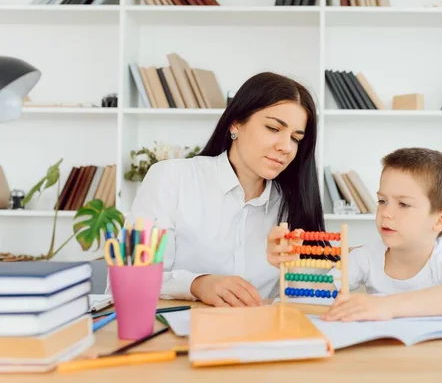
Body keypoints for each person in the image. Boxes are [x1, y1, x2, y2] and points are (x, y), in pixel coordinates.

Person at [111, 72, 325, 307]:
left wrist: (294, 265)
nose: (285, 147)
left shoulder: (291, 204)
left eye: (296, 138)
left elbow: (311, 302)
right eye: (273, 128)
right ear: (236, 123)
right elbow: (128, 279)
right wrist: (197, 284)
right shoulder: (171, 178)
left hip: (262, 336)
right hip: (180, 335)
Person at [272, 147, 442, 321]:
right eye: (382, 201)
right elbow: (315, 294)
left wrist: (387, 306)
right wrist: (294, 262)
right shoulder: (367, 256)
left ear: (441, 220)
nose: (386, 213)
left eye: (403, 204)